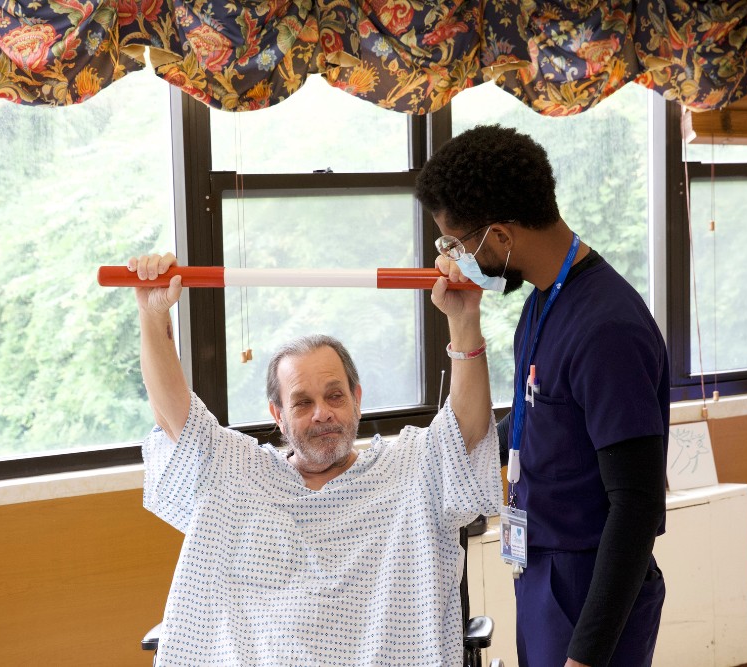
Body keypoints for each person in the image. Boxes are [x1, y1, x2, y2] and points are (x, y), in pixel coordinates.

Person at [129, 251, 502, 666]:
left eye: (335, 395)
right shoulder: (235, 470)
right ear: (278, 416)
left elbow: (467, 429)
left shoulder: (411, 467)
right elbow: (171, 416)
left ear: (357, 400)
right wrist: (153, 312)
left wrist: (464, 319)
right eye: (302, 402)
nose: (322, 412)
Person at [415, 125, 669, 667]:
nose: (457, 260)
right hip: (541, 570)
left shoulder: (608, 328)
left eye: (458, 244)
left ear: (501, 237)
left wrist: (586, 654)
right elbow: (535, 425)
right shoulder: (540, 304)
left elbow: (638, 504)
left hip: (591, 582)